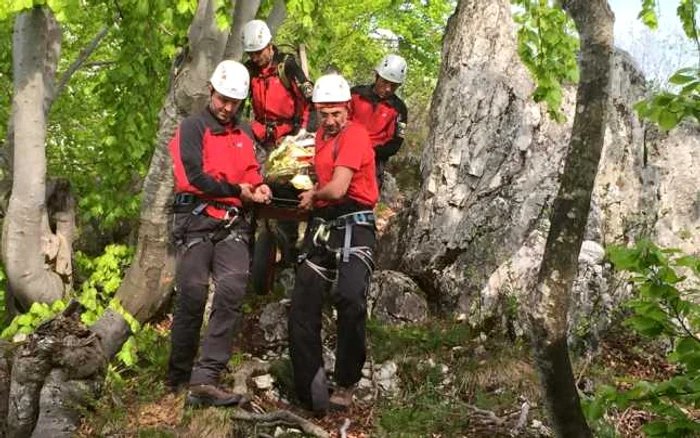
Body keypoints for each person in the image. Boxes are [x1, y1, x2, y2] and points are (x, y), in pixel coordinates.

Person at [167, 60, 272, 407]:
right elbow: (192, 178)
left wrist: (259, 189)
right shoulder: (192, 128)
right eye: (223, 99)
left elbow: (251, 173)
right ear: (212, 91)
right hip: (194, 221)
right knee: (193, 293)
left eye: (234, 102)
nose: (227, 107)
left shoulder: (242, 134)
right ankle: (178, 376)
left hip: (231, 225)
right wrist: (238, 190)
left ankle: (206, 377)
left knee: (232, 288)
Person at [288, 74, 379, 415]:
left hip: (355, 220)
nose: (330, 121)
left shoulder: (354, 134)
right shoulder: (321, 139)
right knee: (303, 300)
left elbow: (339, 187)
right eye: (323, 114)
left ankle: (346, 380)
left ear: (347, 110)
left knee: (351, 296)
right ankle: (309, 384)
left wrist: (312, 195)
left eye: (336, 114)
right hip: (326, 223)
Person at [242, 19, 315, 267]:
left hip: (288, 138)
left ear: (269, 45)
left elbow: (309, 99)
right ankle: (246, 245)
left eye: (258, 52)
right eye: (251, 53)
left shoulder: (287, 65)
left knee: (287, 194)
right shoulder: (249, 70)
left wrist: (303, 133)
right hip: (261, 136)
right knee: (252, 185)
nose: (255, 57)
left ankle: (290, 250)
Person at [350, 54, 408, 190]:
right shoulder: (356, 94)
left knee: (366, 195)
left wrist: (369, 152)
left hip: (374, 159)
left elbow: (395, 143)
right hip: (346, 149)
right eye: (384, 82)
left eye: (393, 86)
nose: (388, 88)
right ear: (377, 76)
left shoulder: (399, 109)